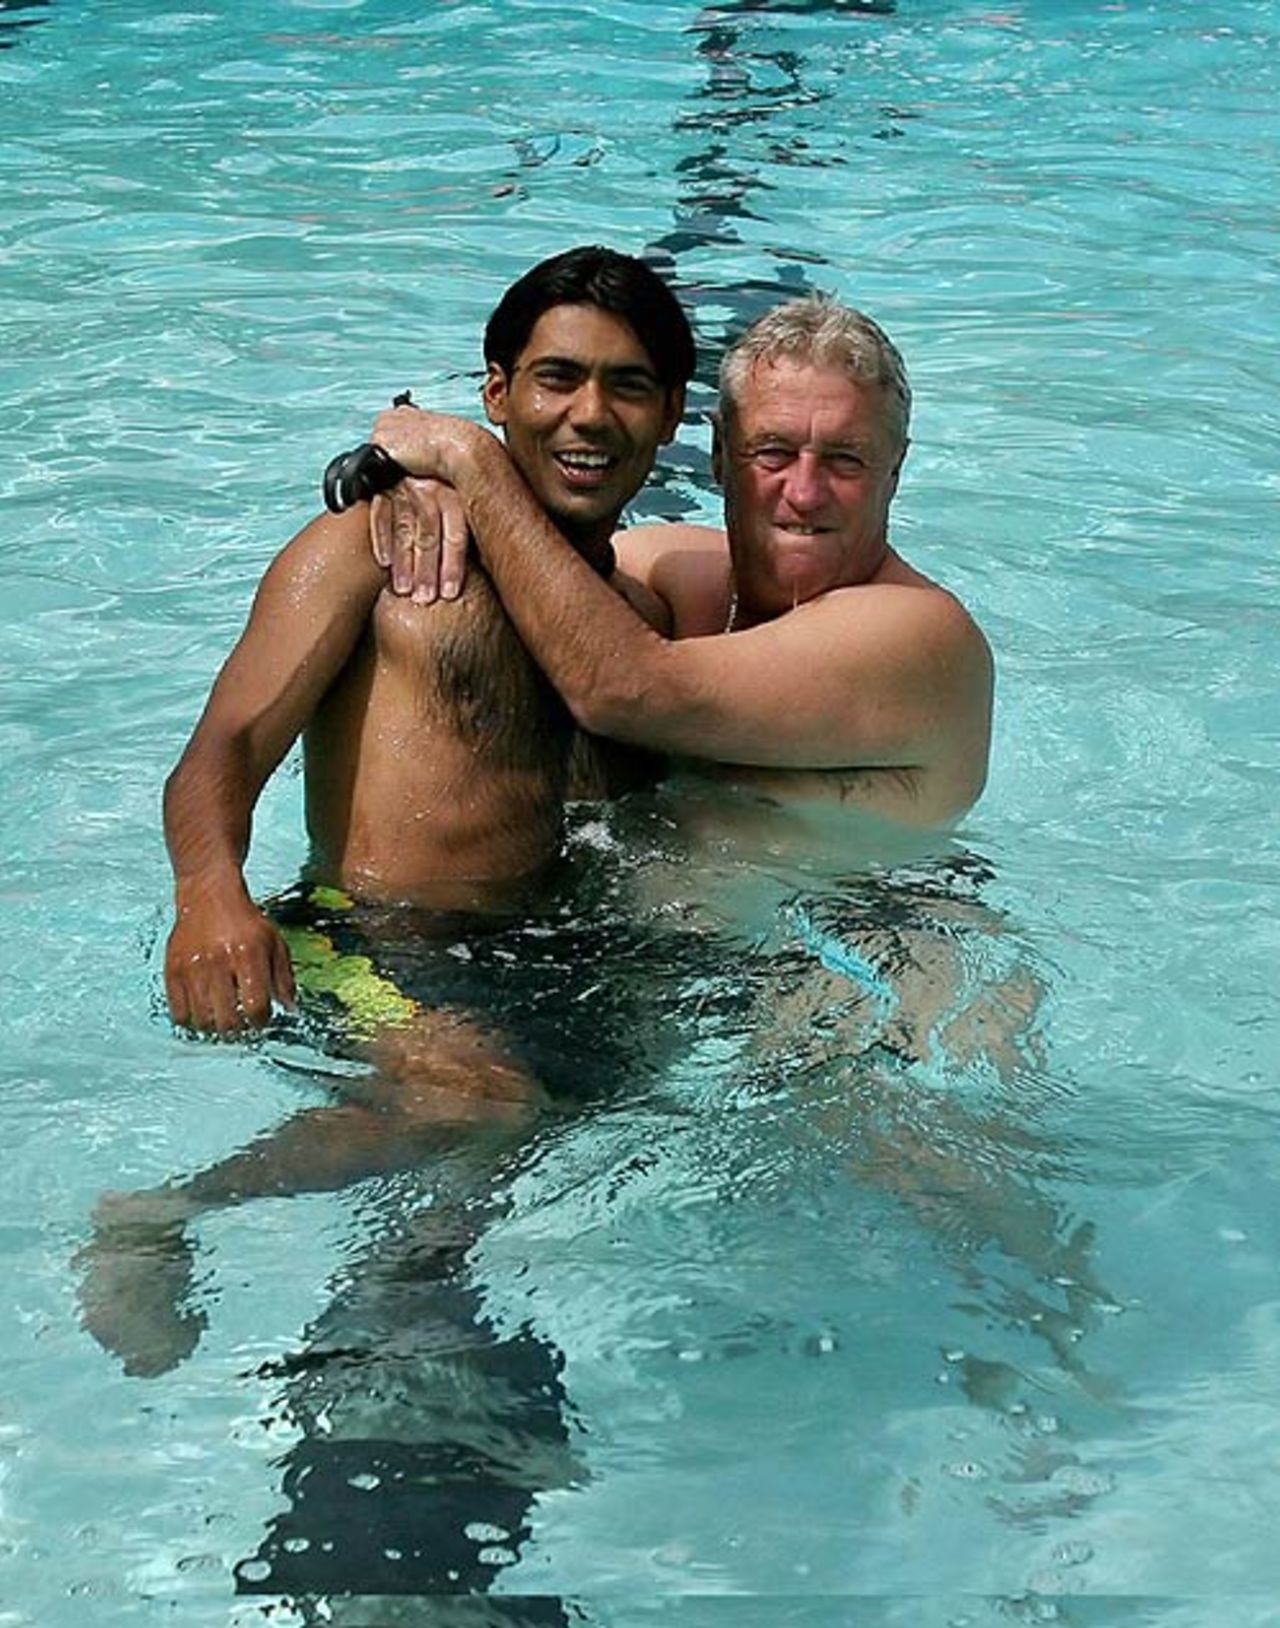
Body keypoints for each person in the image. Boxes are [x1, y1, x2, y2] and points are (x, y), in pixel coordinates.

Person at [368, 293, 994, 832]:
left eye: (845, 460)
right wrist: (422, 492)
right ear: (720, 453)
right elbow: (534, 567)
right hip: (617, 939)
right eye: (773, 451)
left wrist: (467, 460)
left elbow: (621, 688)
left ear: (896, 469)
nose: (804, 492)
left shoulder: (921, 634)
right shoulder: (677, 568)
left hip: (851, 946)